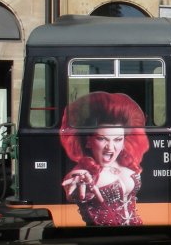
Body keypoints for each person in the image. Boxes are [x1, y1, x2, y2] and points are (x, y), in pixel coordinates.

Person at [59, 92, 149, 226]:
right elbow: (74, 189)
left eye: (118, 139)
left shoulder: (126, 164)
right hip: (101, 238)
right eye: (102, 139)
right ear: (88, 142)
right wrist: (80, 184)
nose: (110, 147)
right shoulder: (83, 172)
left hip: (134, 235)